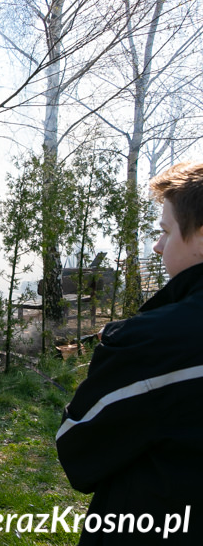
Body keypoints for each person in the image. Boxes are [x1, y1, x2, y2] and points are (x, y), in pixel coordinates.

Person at [56, 161, 203, 545]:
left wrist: (118, 357)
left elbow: (78, 453)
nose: (157, 246)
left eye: (165, 232)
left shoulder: (153, 344)